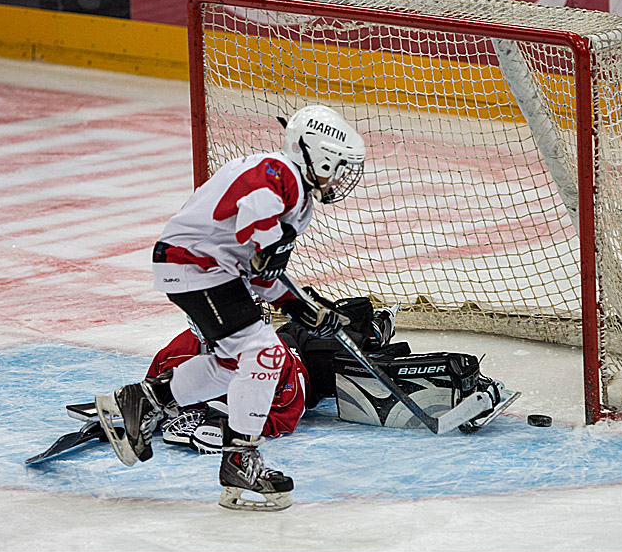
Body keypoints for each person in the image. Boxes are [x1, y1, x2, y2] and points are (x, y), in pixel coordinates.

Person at [94, 105, 366, 512]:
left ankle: (145, 399)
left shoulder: (299, 198)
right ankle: (241, 460)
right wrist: (270, 251)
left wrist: (301, 308)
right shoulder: (278, 174)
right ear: (320, 154)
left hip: (207, 271)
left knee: (234, 364)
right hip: (193, 265)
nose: (342, 177)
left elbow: (261, 276)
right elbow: (257, 228)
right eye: (339, 166)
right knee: (267, 353)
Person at [151, 299, 399, 454]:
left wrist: (238, 426)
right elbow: (152, 399)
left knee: (358, 348)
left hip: (307, 360)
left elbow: (290, 412)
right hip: (291, 338)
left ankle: (379, 323)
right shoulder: (173, 355)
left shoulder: (271, 356)